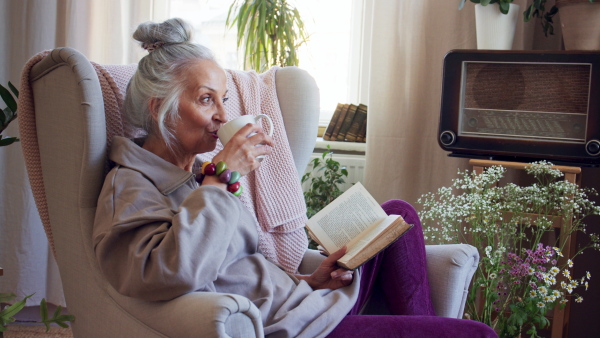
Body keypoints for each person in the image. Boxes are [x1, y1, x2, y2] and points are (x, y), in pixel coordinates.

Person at [93, 18, 497, 338]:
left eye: (224, 99)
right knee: (477, 334)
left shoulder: (197, 177)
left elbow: (242, 268)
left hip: (309, 303)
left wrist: (310, 279)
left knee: (397, 215)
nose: (223, 115)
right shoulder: (131, 186)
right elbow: (168, 274)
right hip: (297, 328)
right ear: (159, 106)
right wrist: (221, 180)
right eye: (205, 99)